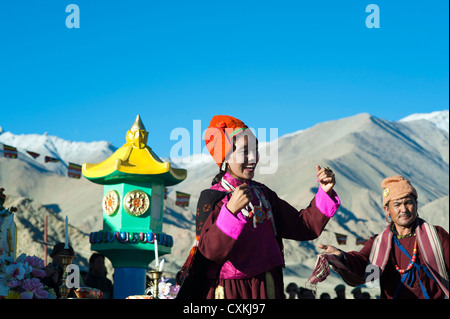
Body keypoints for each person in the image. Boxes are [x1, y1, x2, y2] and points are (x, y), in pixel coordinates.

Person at [177, 115, 340, 299]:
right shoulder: (213, 198)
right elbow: (209, 252)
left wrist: (324, 194)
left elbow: (303, 227)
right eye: (245, 151)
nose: (253, 157)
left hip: (268, 287)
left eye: (255, 149)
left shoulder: (263, 195)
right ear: (226, 156)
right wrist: (230, 212)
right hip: (231, 291)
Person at [318, 175, 449, 299]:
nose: (404, 209)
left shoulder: (436, 236)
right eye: (397, 204)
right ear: (387, 210)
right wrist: (341, 256)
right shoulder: (379, 243)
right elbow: (362, 263)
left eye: (408, 203)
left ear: (416, 205)